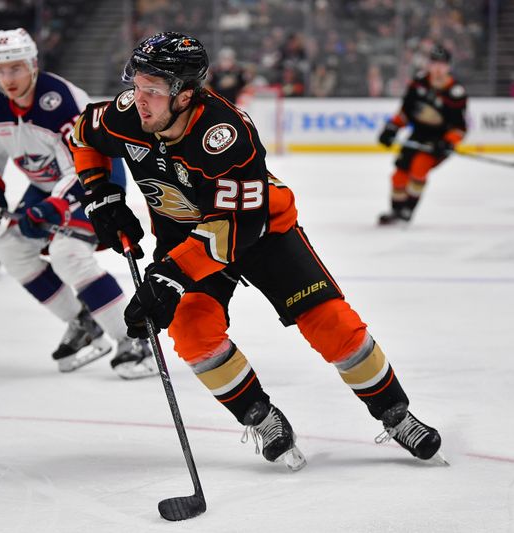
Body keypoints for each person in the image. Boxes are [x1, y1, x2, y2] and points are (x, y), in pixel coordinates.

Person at [68, 32, 443, 470]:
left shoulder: (226, 135)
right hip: (186, 238)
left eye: (153, 90)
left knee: (331, 323)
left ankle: (395, 413)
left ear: (185, 95)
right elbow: (80, 137)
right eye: (138, 85)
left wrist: (171, 275)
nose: (140, 98)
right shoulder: (128, 113)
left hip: (261, 231)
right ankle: (260, 417)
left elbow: (236, 227)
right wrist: (102, 196)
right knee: (191, 333)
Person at [0, 28, 155, 379]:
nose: (8, 78)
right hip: (47, 186)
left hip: (93, 178)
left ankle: (133, 341)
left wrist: (58, 204)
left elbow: (79, 161)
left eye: (16, 68)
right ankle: (82, 322)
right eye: (1, 70)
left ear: (33, 65)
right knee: (11, 248)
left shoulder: (61, 100)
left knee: (68, 253)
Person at [376, 44, 468, 225]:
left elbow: (459, 128)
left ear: (449, 67)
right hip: (417, 136)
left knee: (418, 170)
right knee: (398, 176)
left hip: (438, 141)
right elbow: (405, 113)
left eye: (442, 64)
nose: (438, 69)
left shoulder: (455, 93)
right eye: (434, 63)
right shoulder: (418, 83)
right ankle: (397, 210)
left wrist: (448, 143)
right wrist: (391, 128)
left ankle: (407, 211)